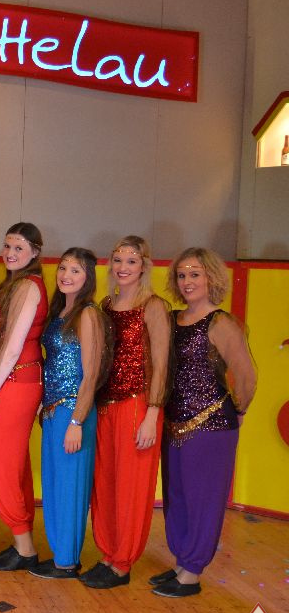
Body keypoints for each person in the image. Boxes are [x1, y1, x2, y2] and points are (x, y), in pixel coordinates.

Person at [151, 248, 255, 598]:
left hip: (211, 428)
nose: (187, 281)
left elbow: (246, 376)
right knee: (177, 495)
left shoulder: (221, 323)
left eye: (195, 274)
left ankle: (192, 572)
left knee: (203, 499)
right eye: (182, 275)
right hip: (174, 424)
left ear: (211, 277)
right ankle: (183, 562)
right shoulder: (172, 319)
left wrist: (237, 410)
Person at [82, 236, 170, 589]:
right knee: (105, 483)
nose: (122, 267)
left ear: (144, 266)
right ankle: (107, 553)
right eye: (118, 260)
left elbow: (161, 364)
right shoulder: (106, 304)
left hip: (137, 404)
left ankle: (122, 562)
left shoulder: (153, 306)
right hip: (106, 405)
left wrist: (152, 413)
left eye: (131, 261)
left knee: (131, 486)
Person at [30, 248, 109, 579]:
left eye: (75, 271)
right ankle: (59, 553)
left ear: (88, 277)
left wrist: (77, 421)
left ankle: (67, 560)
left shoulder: (88, 314)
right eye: (63, 268)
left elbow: (91, 374)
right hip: (52, 410)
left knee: (70, 486)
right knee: (54, 484)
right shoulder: (61, 311)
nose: (66, 275)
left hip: (73, 410)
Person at [0, 222, 48, 571]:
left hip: (17, 381)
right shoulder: (15, 283)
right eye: (7, 246)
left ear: (35, 252)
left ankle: (25, 545)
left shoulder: (29, 286)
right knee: (13, 464)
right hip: (12, 379)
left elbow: (12, 346)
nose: (10, 253)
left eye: (19, 248)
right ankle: (23, 542)